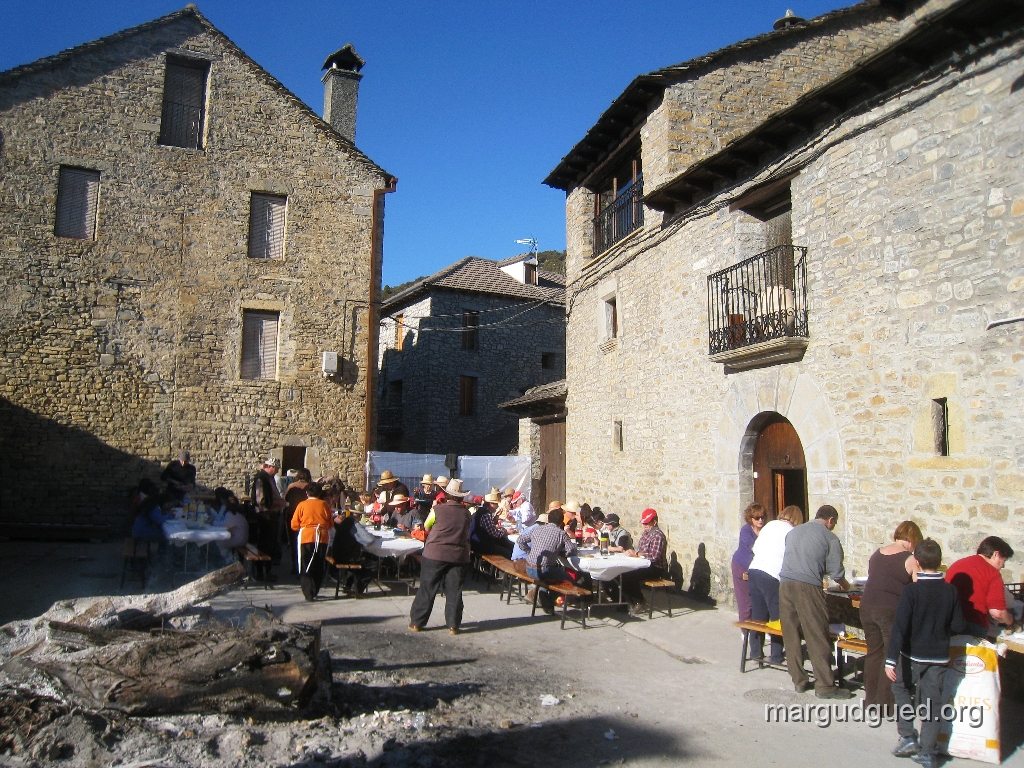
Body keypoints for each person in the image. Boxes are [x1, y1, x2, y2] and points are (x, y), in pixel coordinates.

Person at [885, 539, 968, 768]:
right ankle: (928, 752)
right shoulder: (950, 591)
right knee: (933, 701)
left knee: (901, 688)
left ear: (917, 563)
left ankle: (907, 736)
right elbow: (958, 625)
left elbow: (900, 626)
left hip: (912, 654)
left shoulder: (911, 591)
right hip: (939, 656)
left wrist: (891, 659)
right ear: (940, 562)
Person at [778, 504, 852, 699]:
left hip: (785, 583)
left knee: (791, 633)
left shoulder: (794, 532)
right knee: (817, 633)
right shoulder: (829, 537)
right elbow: (836, 572)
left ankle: (799, 680)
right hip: (808, 586)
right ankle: (825, 686)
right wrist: (847, 586)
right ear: (831, 520)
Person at [860, 520, 924, 715]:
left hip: (867, 605)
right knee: (890, 655)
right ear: (912, 540)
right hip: (889, 609)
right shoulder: (910, 559)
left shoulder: (877, 554)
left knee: (874, 653)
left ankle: (870, 700)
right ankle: (885, 704)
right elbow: (919, 587)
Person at [409, 479, 472, 634]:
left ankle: (417, 622)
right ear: (461, 497)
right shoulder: (466, 513)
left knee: (427, 588)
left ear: (447, 494)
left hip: (435, 553)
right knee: (454, 591)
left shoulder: (437, 510)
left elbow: (426, 526)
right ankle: (453, 625)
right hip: (458, 555)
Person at [747, 504, 801, 663]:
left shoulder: (769, 525)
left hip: (754, 570)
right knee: (777, 615)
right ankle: (776, 654)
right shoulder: (792, 532)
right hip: (771, 574)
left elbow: (755, 548)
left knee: (758, 614)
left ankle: (755, 652)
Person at [945, 536, 1015, 637]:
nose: (1003, 566)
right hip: (974, 624)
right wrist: (1010, 620)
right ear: (996, 554)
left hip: (949, 622)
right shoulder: (992, 573)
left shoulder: (957, 564)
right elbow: (998, 613)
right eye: (1004, 560)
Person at [515, 509, 577, 613]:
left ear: (548, 519)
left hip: (529, 567)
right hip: (545, 570)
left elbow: (520, 540)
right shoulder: (561, 534)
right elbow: (571, 551)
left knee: (554, 576)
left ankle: (543, 594)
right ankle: (548, 595)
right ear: (561, 522)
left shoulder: (537, 529)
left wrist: (529, 551)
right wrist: (560, 551)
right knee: (569, 581)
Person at [290, 482, 333, 601]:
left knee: (305, 563)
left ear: (307, 493)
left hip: (306, 536)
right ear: (319, 493)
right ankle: (315, 590)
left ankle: (308, 593)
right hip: (322, 537)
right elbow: (330, 524)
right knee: (318, 564)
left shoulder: (302, 505)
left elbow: (294, 525)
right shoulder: (324, 505)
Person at [622, 508, 668, 609]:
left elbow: (654, 557)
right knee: (623, 573)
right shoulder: (646, 534)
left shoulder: (658, 536)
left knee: (630, 576)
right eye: (644, 523)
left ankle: (639, 600)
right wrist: (634, 554)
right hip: (643, 563)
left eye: (647, 523)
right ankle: (629, 602)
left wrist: (637, 554)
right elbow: (641, 550)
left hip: (655, 567)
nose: (645, 526)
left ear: (654, 522)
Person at [731, 503, 768, 623]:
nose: (760, 520)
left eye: (762, 517)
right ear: (750, 518)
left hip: (758, 568)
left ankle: (760, 628)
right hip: (742, 566)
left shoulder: (765, 530)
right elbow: (754, 548)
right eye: (757, 518)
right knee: (746, 603)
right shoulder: (746, 531)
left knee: (761, 601)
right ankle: (745, 630)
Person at [253, 457, 286, 581]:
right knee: (265, 545)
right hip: (266, 516)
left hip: (271, 516)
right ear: (270, 467)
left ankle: (266, 570)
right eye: (276, 468)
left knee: (270, 544)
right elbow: (261, 501)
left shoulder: (269, 478)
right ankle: (262, 572)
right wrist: (278, 503)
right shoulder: (262, 479)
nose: (277, 471)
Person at [331, 508, 376, 597]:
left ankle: (348, 585)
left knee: (362, 557)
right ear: (359, 515)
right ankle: (357, 590)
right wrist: (373, 536)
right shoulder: (354, 523)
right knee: (373, 565)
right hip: (345, 557)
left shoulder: (346, 521)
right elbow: (369, 540)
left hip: (337, 553)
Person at [470, 492, 514, 558]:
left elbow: (487, 526)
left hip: (473, 542)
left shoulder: (480, 511)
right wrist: (506, 532)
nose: (497, 506)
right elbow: (494, 533)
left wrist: (496, 517)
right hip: (479, 545)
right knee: (507, 551)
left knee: (502, 542)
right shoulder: (486, 514)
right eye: (496, 504)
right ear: (491, 504)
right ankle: (514, 560)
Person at [284, 469, 311, 575]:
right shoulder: (310, 487)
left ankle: (295, 566)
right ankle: (304, 565)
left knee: (293, 542)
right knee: (305, 542)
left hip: (292, 515)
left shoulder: (291, 486)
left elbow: (286, 500)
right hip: (306, 516)